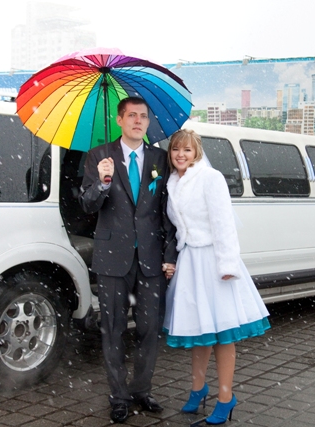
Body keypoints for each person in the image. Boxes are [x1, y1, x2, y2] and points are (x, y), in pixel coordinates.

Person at [79, 97, 177, 424]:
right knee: (113, 330)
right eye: (131, 115)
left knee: (150, 330)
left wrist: (170, 255)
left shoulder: (160, 159)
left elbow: (168, 211)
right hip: (112, 259)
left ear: (148, 122)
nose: (138, 121)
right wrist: (103, 182)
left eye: (143, 116)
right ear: (119, 120)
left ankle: (141, 390)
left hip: (151, 259)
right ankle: (118, 396)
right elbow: (87, 205)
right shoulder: (98, 156)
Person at [163, 129, 270, 425]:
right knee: (200, 331)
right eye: (176, 150)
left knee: (223, 333)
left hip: (214, 263)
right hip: (189, 262)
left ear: (196, 152)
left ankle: (225, 397)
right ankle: (198, 389)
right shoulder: (172, 182)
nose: (181, 155)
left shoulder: (211, 178)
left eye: (187, 150)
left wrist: (227, 265)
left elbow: (224, 224)